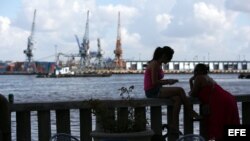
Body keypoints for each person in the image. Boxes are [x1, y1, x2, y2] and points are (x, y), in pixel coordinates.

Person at [144, 46, 201, 135]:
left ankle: (174, 125)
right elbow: (154, 82)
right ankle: (191, 112)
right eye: (169, 58)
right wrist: (168, 81)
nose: (169, 60)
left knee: (178, 99)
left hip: (156, 89)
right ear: (164, 56)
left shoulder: (158, 64)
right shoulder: (155, 64)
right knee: (180, 90)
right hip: (152, 91)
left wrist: (169, 81)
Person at [189, 63, 240, 140]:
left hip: (218, 101)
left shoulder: (199, 78)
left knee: (217, 124)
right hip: (227, 99)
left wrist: (190, 81)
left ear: (199, 71)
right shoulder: (209, 78)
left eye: (195, 70)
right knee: (226, 123)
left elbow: (193, 94)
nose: (194, 72)